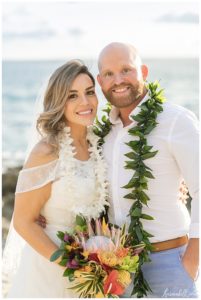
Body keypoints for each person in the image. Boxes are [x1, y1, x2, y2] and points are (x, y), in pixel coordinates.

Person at [96, 42, 199, 298]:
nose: (118, 80)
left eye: (126, 70)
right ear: (100, 81)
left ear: (143, 71)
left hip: (170, 264)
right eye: (109, 74)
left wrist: (192, 261)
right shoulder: (103, 135)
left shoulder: (175, 120)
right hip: (117, 270)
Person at [2, 60, 109, 297]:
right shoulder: (47, 151)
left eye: (89, 92)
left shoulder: (100, 144)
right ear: (59, 102)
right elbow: (23, 221)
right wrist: (70, 265)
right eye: (72, 96)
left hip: (95, 268)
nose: (85, 102)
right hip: (51, 269)